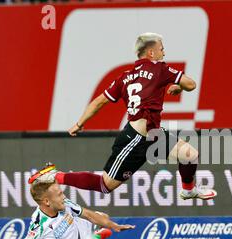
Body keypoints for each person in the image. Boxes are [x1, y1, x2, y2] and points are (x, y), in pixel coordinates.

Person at [29, 32, 216, 201]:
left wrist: (79, 123)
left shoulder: (124, 77)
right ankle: (55, 176)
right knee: (104, 185)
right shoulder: (160, 69)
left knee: (189, 155)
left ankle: (188, 190)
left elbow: (99, 101)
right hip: (135, 139)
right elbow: (191, 84)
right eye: (161, 49)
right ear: (151, 53)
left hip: (154, 134)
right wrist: (180, 86)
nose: (164, 53)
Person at [13, 181, 135, 239]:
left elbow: (87, 214)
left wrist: (114, 225)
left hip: (79, 227)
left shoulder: (64, 203)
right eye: (59, 195)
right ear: (46, 202)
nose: (64, 197)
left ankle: (94, 235)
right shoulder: (39, 225)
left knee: (104, 216)